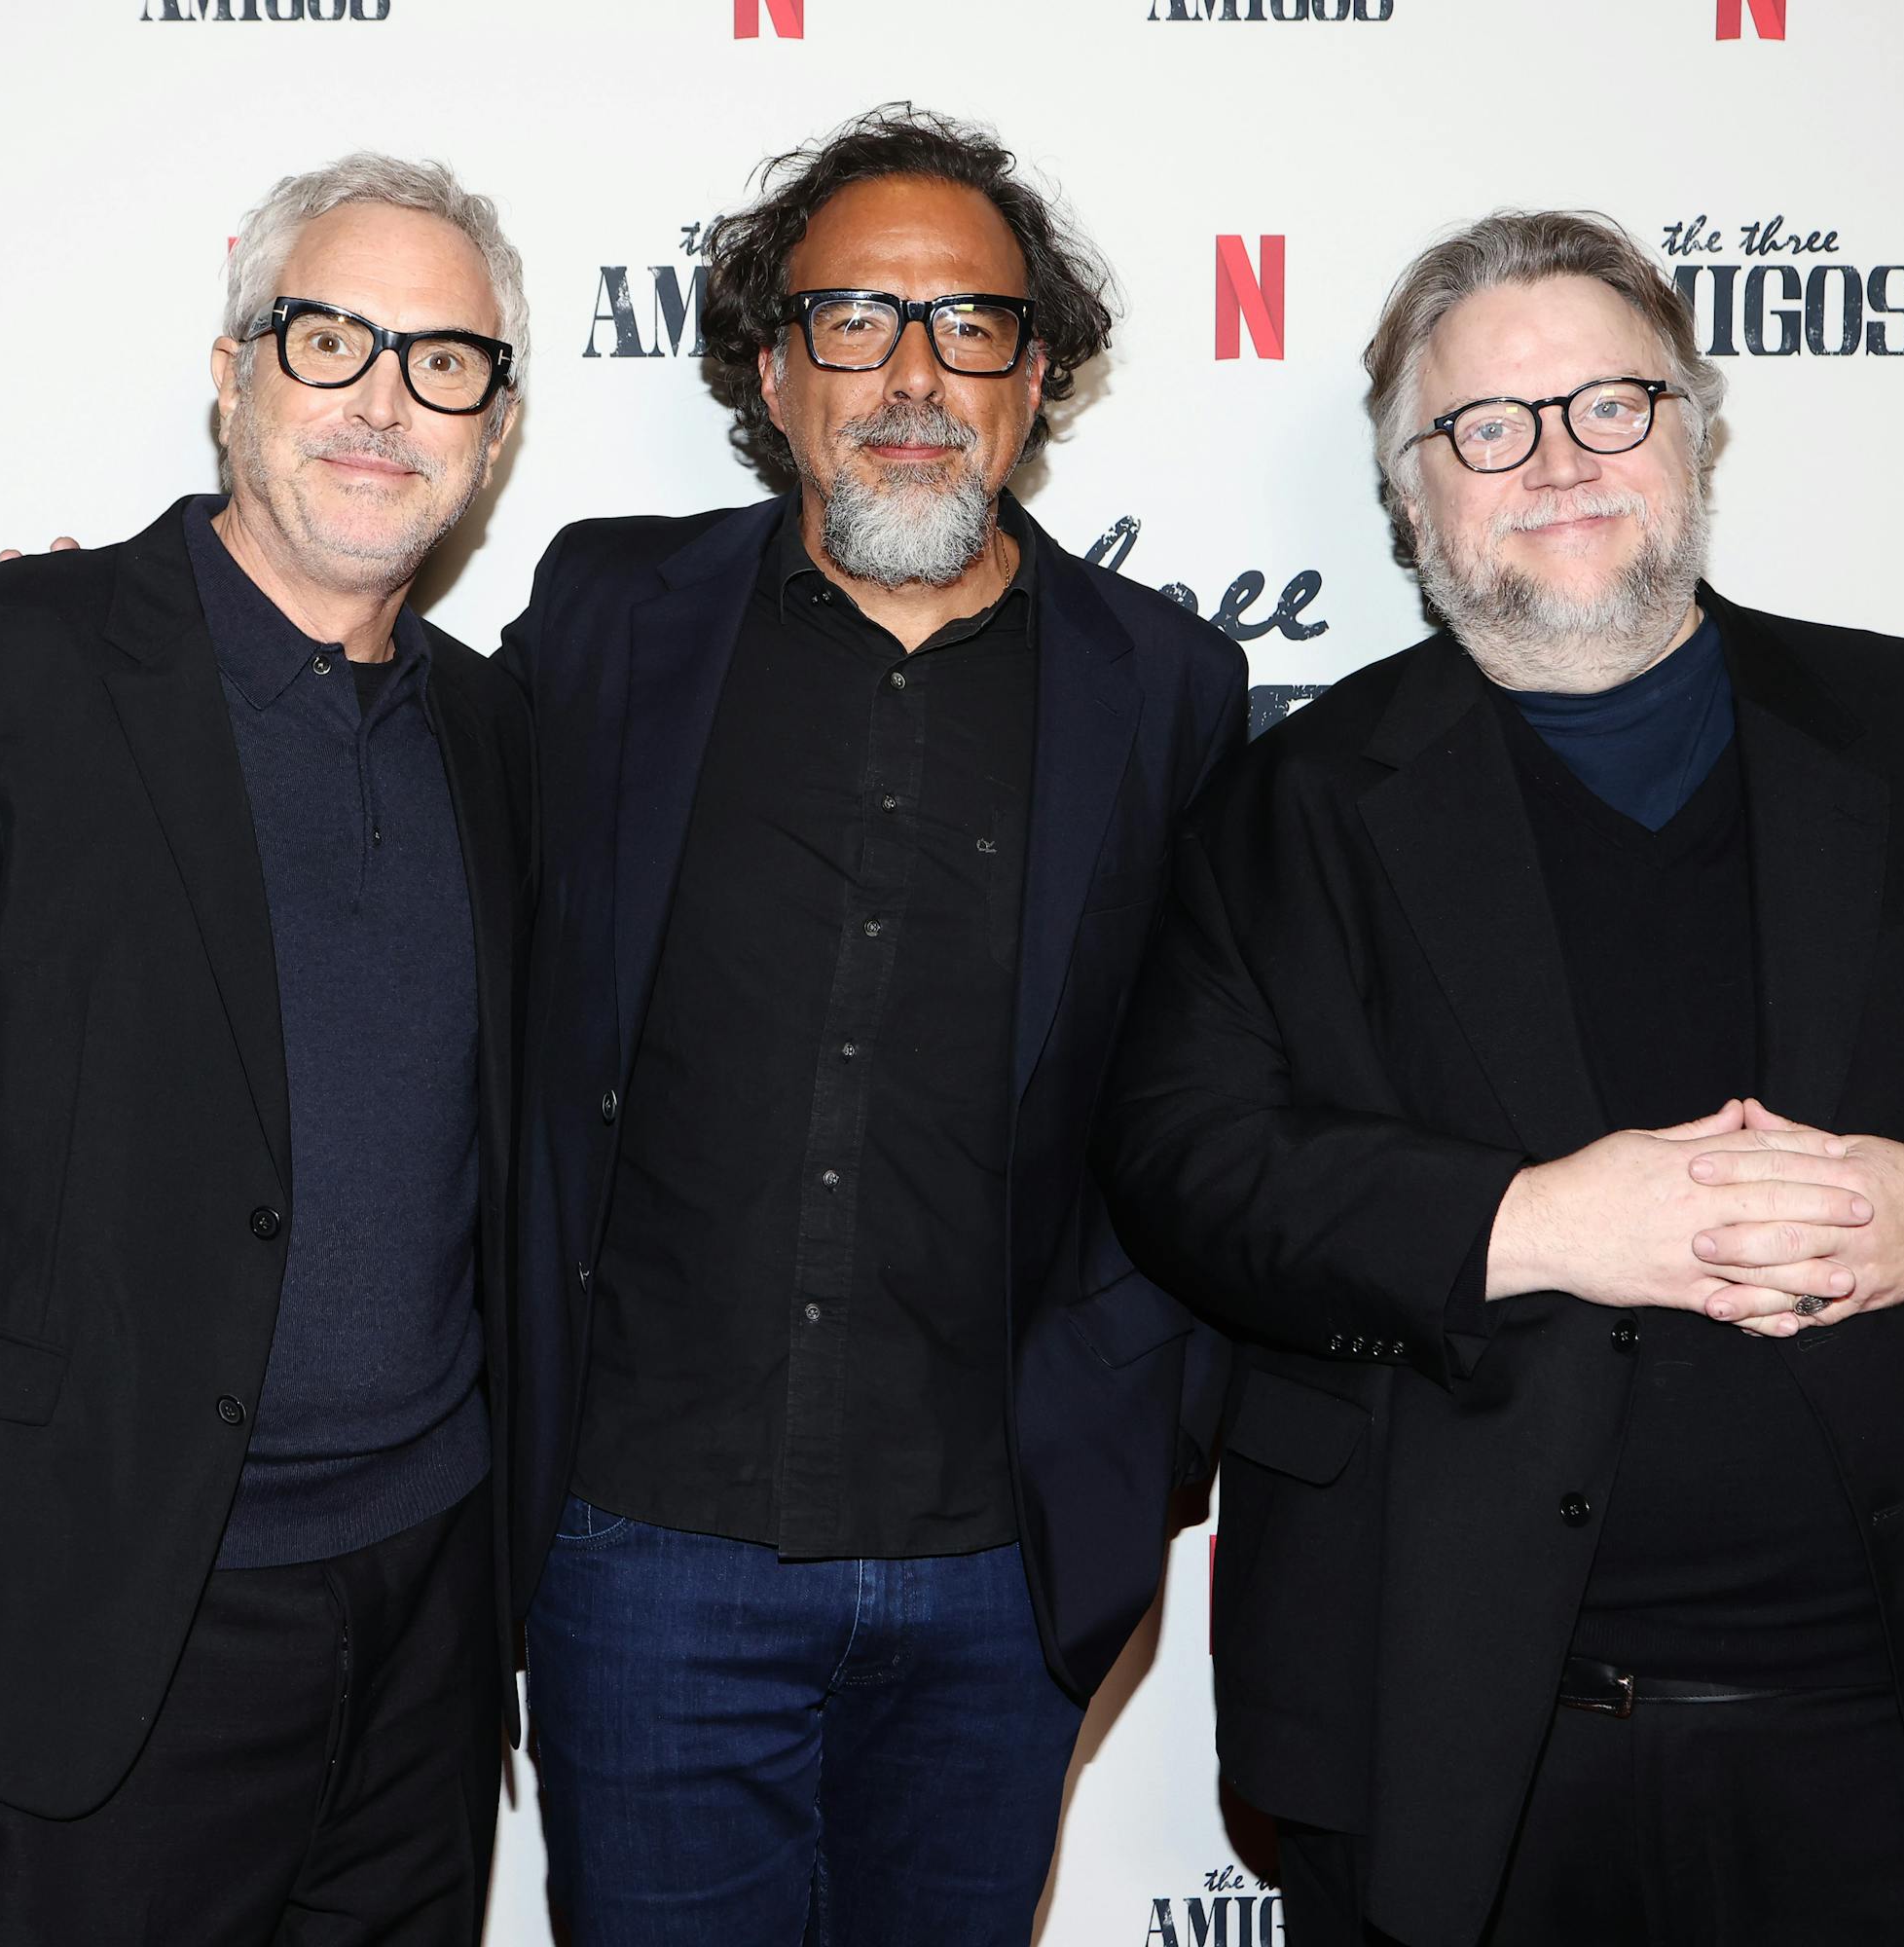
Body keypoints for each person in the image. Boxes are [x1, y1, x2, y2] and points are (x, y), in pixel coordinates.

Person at [1095, 208, 1904, 1947]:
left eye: (1610, 407)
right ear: (1413, 492)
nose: (1555, 462)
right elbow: (1185, 1157)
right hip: (1468, 1754)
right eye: (1486, 427)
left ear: (1695, 429)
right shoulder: (1288, 806)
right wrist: (1531, 1220)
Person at [0, 154, 534, 1944]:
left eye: (445, 361)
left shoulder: (496, 729)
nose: (385, 403)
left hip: (424, 1629)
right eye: (332, 341)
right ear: (234, 367)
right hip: (94, 1622)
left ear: (496, 424)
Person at [498, 105, 1246, 1946]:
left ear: (1033, 373)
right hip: (643, 1546)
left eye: (969, 324)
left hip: (1003, 1566)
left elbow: (1216, 1085)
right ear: (772, 366)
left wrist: (1145, 1447)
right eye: (853, 319)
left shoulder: (1166, 686)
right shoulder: (608, 616)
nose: (912, 371)